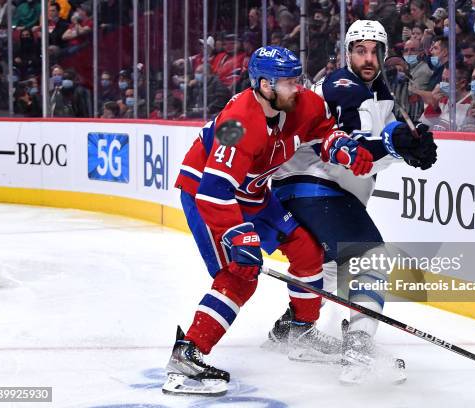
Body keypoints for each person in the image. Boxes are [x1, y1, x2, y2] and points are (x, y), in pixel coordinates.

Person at [164, 45, 375, 396]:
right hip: (206, 193)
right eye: (289, 81)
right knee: (240, 274)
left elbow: (323, 131)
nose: (299, 87)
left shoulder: (301, 102)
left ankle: (300, 332)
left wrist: (343, 149)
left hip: (255, 192)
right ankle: (187, 356)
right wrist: (238, 234)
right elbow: (214, 191)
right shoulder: (238, 123)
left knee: (308, 251)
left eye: (298, 78)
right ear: (264, 85)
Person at [266, 20, 437, 385]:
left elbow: (374, 148)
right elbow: (353, 147)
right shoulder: (343, 86)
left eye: (375, 50)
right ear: (347, 53)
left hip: (305, 188)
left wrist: (407, 147)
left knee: (331, 268)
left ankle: (292, 328)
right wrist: (395, 144)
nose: (368, 58)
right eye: (360, 50)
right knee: (371, 256)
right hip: (315, 184)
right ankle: (358, 350)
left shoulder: (379, 93)